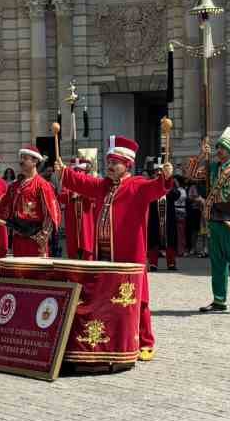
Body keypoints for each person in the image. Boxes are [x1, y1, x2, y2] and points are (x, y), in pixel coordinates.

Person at [53, 136, 172, 362]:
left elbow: (156, 189)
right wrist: (64, 172)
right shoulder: (104, 186)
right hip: (105, 254)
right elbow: (81, 183)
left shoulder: (137, 185)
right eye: (108, 162)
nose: (109, 166)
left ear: (127, 164)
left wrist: (164, 178)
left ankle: (146, 341)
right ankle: (114, 339)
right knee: (108, 297)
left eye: (114, 162)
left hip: (129, 255)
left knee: (137, 298)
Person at [188, 127, 230, 315]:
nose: (218, 151)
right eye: (217, 148)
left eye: (222, 148)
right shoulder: (212, 167)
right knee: (217, 263)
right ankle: (219, 300)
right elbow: (192, 175)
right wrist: (202, 155)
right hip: (215, 219)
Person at [0, 145, 60, 259]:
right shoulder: (14, 186)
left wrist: (45, 235)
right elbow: (3, 207)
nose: (21, 161)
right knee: (19, 274)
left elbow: (50, 212)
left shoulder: (42, 185)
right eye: (20, 158)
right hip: (18, 239)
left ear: (35, 161)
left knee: (36, 274)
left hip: (36, 240)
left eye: (25, 158)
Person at [146, 160, 180, 272]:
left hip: (168, 218)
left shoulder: (171, 183)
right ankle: (153, 263)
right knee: (153, 240)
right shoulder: (151, 183)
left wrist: (167, 186)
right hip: (155, 218)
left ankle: (171, 262)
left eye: (162, 172)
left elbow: (176, 195)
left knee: (170, 239)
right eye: (158, 172)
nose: (160, 174)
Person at [63, 155, 97, 261]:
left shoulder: (90, 180)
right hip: (72, 220)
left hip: (86, 218)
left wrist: (83, 193)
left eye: (80, 171)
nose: (78, 174)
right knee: (73, 248)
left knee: (87, 243)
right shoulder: (67, 183)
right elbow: (61, 197)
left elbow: (95, 196)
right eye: (75, 171)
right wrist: (70, 195)